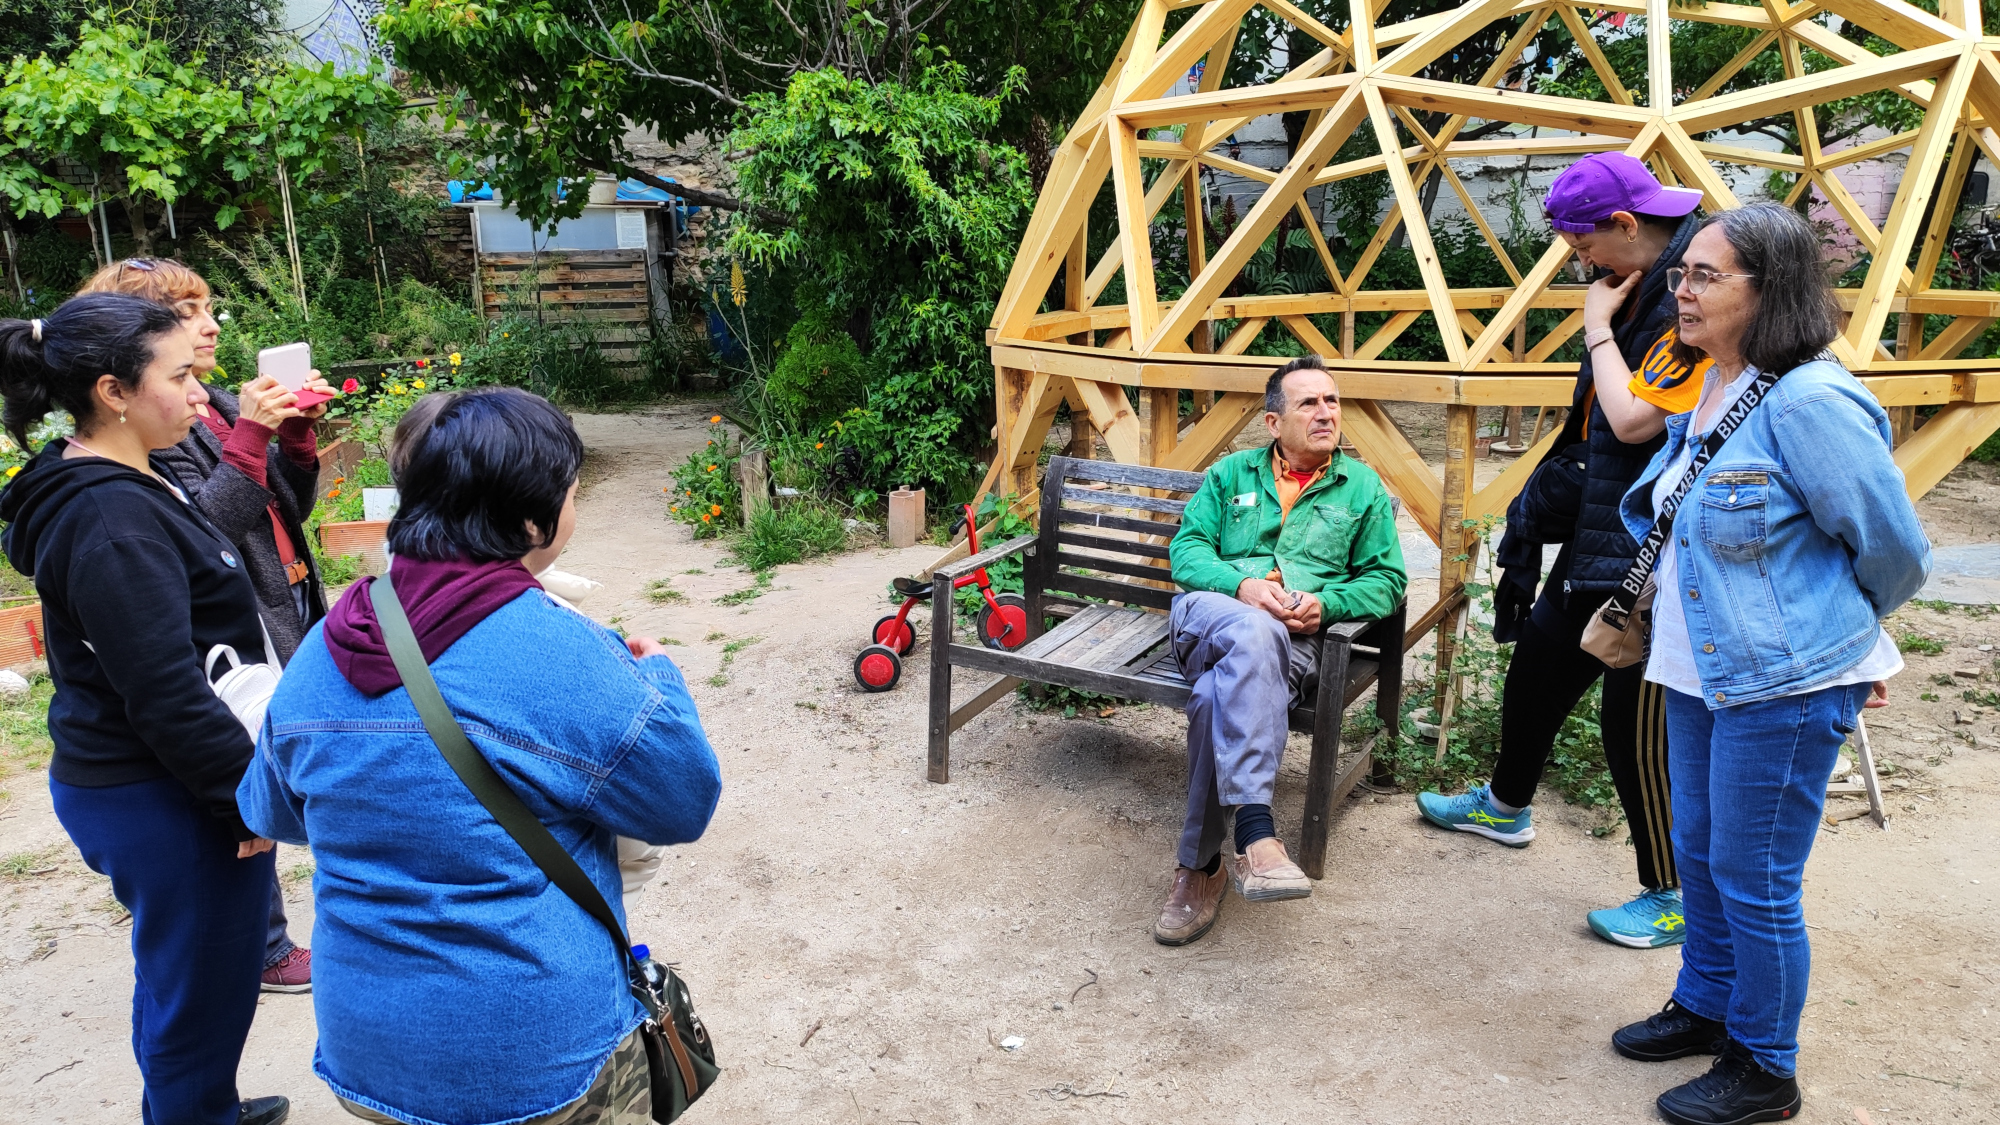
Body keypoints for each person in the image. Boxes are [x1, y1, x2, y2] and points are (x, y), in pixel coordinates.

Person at [237, 386, 723, 1125]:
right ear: (531, 519)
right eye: (571, 490)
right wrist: (661, 676)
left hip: (371, 1050)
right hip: (533, 1054)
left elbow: (272, 812)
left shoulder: (322, 653)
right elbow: (684, 802)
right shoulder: (562, 653)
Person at [1609, 203, 1929, 1125]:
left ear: (1771, 288)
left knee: (1755, 876)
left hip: (1782, 682)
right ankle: (1707, 1001)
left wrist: (1846, 640)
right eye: (1681, 273)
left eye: (1705, 275)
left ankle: (1764, 1065)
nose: (1681, 289)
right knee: (1701, 852)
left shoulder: (1810, 402)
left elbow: (1895, 549)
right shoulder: (1716, 380)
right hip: (1695, 666)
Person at [0, 293, 292, 1125]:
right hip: (157, 789)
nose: (203, 393)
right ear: (114, 392)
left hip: (156, 776)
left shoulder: (125, 477)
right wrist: (240, 797)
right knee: (202, 985)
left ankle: (198, 1104)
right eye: (181, 376)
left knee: (184, 974)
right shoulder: (110, 517)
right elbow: (163, 688)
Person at [1415, 151, 1705, 949]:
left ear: (1626, 224)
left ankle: (1674, 890)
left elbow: (1635, 420)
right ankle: (1505, 805)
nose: (1581, 263)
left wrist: (1597, 328)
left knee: (1634, 723)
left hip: (1658, 543)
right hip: (1602, 523)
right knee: (1540, 661)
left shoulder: (1690, 291)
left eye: (1584, 246)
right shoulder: (1644, 276)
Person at [79, 256, 328, 993]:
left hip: (286, 594)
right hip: (237, 618)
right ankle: (267, 945)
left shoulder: (214, 402)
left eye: (208, 308)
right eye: (189, 314)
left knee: (280, 748)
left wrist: (295, 440)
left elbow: (285, 506)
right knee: (242, 755)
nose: (211, 325)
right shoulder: (156, 435)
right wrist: (250, 435)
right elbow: (207, 526)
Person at [1153, 355, 1406, 946]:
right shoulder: (1230, 475)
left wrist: (1329, 604)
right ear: (1273, 422)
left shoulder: (1362, 487)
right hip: (1211, 619)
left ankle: (1200, 868)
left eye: (1332, 401)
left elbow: (1388, 580)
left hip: (1297, 641)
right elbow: (1187, 552)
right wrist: (1243, 586)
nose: (1326, 413)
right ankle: (1255, 830)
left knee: (1214, 699)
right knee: (1254, 628)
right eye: (1308, 403)